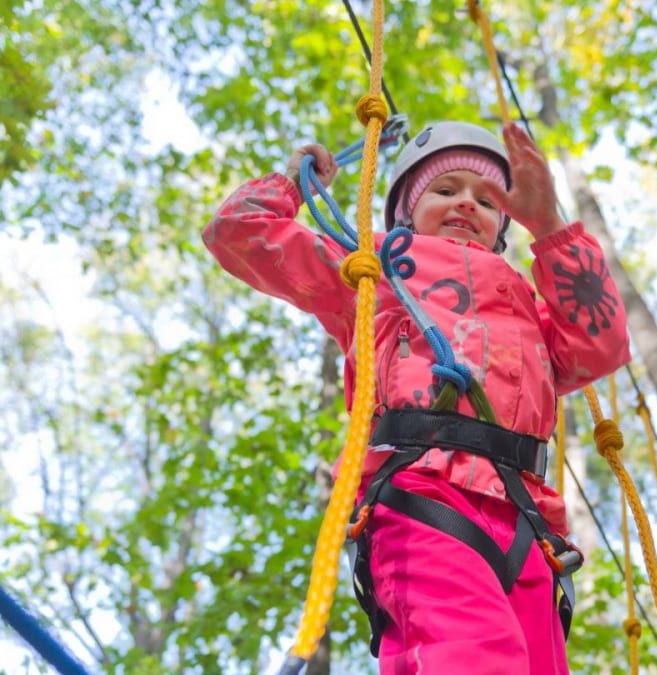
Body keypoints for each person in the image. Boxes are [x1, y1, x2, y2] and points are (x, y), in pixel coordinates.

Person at [203, 120, 631, 674]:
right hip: (421, 493)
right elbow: (236, 232)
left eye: (486, 198)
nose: (466, 204)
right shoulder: (377, 266)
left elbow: (601, 345)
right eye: (445, 189)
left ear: (504, 223)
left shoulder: (529, 298)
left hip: (528, 522)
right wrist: (293, 182)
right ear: (405, 210)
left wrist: (550, 226)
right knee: (472, 659)